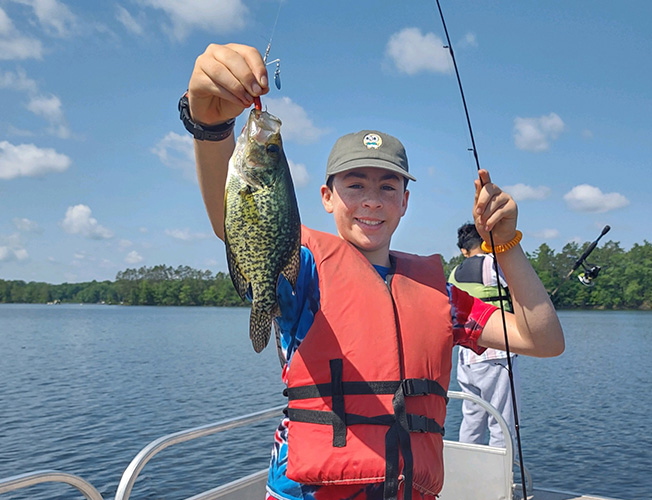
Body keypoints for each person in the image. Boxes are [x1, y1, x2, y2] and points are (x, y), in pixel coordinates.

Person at [184, 43, 564, 500]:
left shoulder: (438, 296)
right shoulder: (302, 271)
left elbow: (544, 340)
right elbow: (234, 228)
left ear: (405, 202)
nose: (371, 200)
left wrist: (505, 247)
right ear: (327, 197)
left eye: (388, 186)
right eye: (355, 185)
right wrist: (210, 126)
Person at [449, 223, 520, 451]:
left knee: (472, 421)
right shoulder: (494, 264)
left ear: (463, 250)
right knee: (502, 422)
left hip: (465, 358)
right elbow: (522, 294)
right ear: (485, 242)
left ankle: (468, 478)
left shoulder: (454, 273)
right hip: (496, 353)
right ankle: (501, 481)